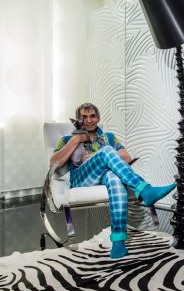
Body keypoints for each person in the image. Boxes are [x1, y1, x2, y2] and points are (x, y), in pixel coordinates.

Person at [50, 102, 176, 259]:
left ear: (98, 118)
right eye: (84, 117)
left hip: (105, 176)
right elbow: (53, 164)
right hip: (81, 178)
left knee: (114, 178)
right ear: (78, 120)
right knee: (107, 151)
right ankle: (144, 189)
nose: (89, 120)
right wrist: (76, 140)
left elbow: (126, 157)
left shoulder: (108, 137)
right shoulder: (67, 139)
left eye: (92, 116)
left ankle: (118, 242)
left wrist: (97, 156)